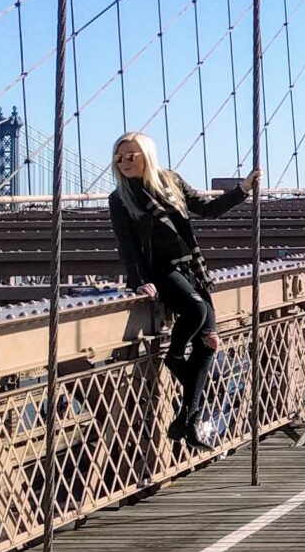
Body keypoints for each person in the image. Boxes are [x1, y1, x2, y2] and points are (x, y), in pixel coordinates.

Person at [108, 132, 257, 453]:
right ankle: (175, 356)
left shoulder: (170, 180)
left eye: (131, 155)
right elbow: (127, 245)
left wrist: (242, 190)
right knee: (196, 312)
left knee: (210, 342)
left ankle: (187, 420)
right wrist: (137, 280)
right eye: (119, 158)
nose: (124, 162)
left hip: (191, 266)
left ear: (147, 154)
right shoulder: (120, 198)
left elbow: (207, 209)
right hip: (161, 271)